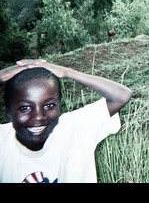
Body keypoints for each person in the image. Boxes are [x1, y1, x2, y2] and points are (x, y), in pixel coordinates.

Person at [0, 59, 132, 183]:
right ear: (8, 113)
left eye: (49, 106)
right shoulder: (3, 142)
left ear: (59, 107)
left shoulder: (74, 128)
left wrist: (67, 72)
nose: (38, 117)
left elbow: (121, 95)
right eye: (25, 108)